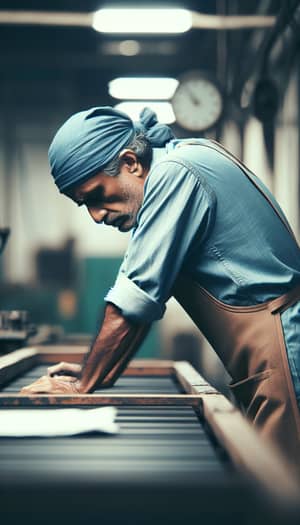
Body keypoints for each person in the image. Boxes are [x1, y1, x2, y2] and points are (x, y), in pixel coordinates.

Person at [21, 106, 300, 468]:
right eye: (84, 204)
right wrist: (94, 370)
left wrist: (82, 385)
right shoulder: (187, 156)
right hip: (274, 348)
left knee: (281, 496)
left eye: (96, 195)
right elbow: (143, 300)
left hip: (285, 350)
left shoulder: (175, 175)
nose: (95, 215)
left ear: (131, 163)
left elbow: (134, 299)